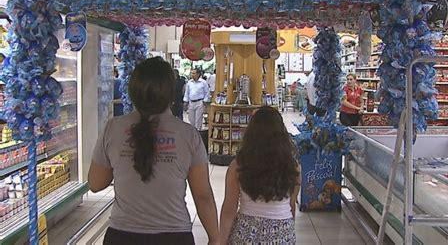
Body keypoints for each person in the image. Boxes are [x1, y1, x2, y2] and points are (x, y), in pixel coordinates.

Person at [88, 58, 219, 245]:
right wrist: (215, 238)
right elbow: (203, 195)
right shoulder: (188, 134)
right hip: (174, 236)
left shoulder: (113, 129)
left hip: (122, 235)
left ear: (132, 91)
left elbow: (96, 183)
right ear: (170, 94)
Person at [220, 106, 300, 244]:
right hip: (282, 230)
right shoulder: (293, 165)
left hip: (246, 230)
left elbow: (229, 209)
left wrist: (220, 241)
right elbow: (291, 205)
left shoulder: (238, 165)